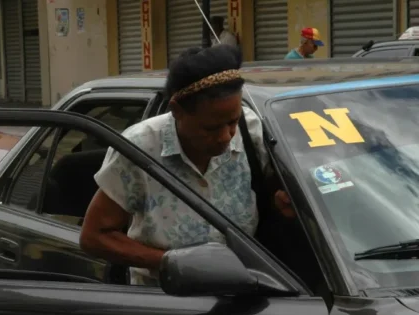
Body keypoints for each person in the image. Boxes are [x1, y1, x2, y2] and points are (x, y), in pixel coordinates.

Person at [79, 44, 294, 287]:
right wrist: (170, 262)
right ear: (177, 111)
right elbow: (94, 237)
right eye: (211, 128)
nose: (226, 136)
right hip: (166, 298)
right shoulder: (138, 149)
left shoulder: (252, 131)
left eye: (233, 122)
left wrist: (283, 203)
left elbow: (278, 192)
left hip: (246, 290)